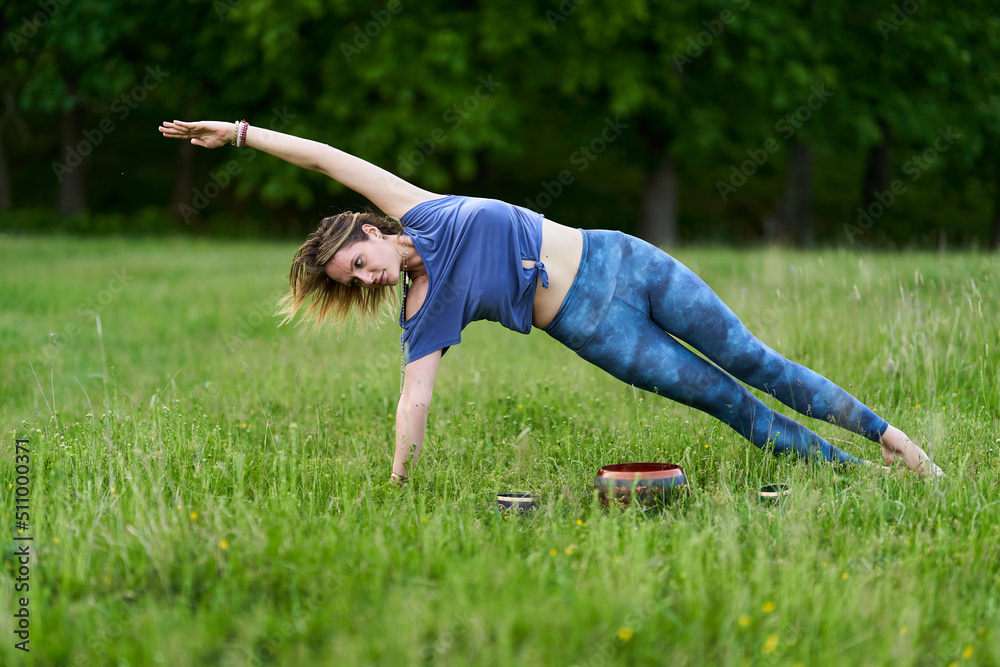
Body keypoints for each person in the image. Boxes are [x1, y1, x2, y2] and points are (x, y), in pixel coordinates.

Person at [159, 118, 944, 483]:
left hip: (624, 260)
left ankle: (897, 444)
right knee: (728, 404)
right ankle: (862, 479)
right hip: (595, 327)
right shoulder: (421, 314)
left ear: (371, 228)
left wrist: (237, 135)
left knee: (755, 360)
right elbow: (412, 401)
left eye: (358, 261)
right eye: (354, 282)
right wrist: (397, 484)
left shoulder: (418, 206)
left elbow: (329, 159)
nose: (367, 278)